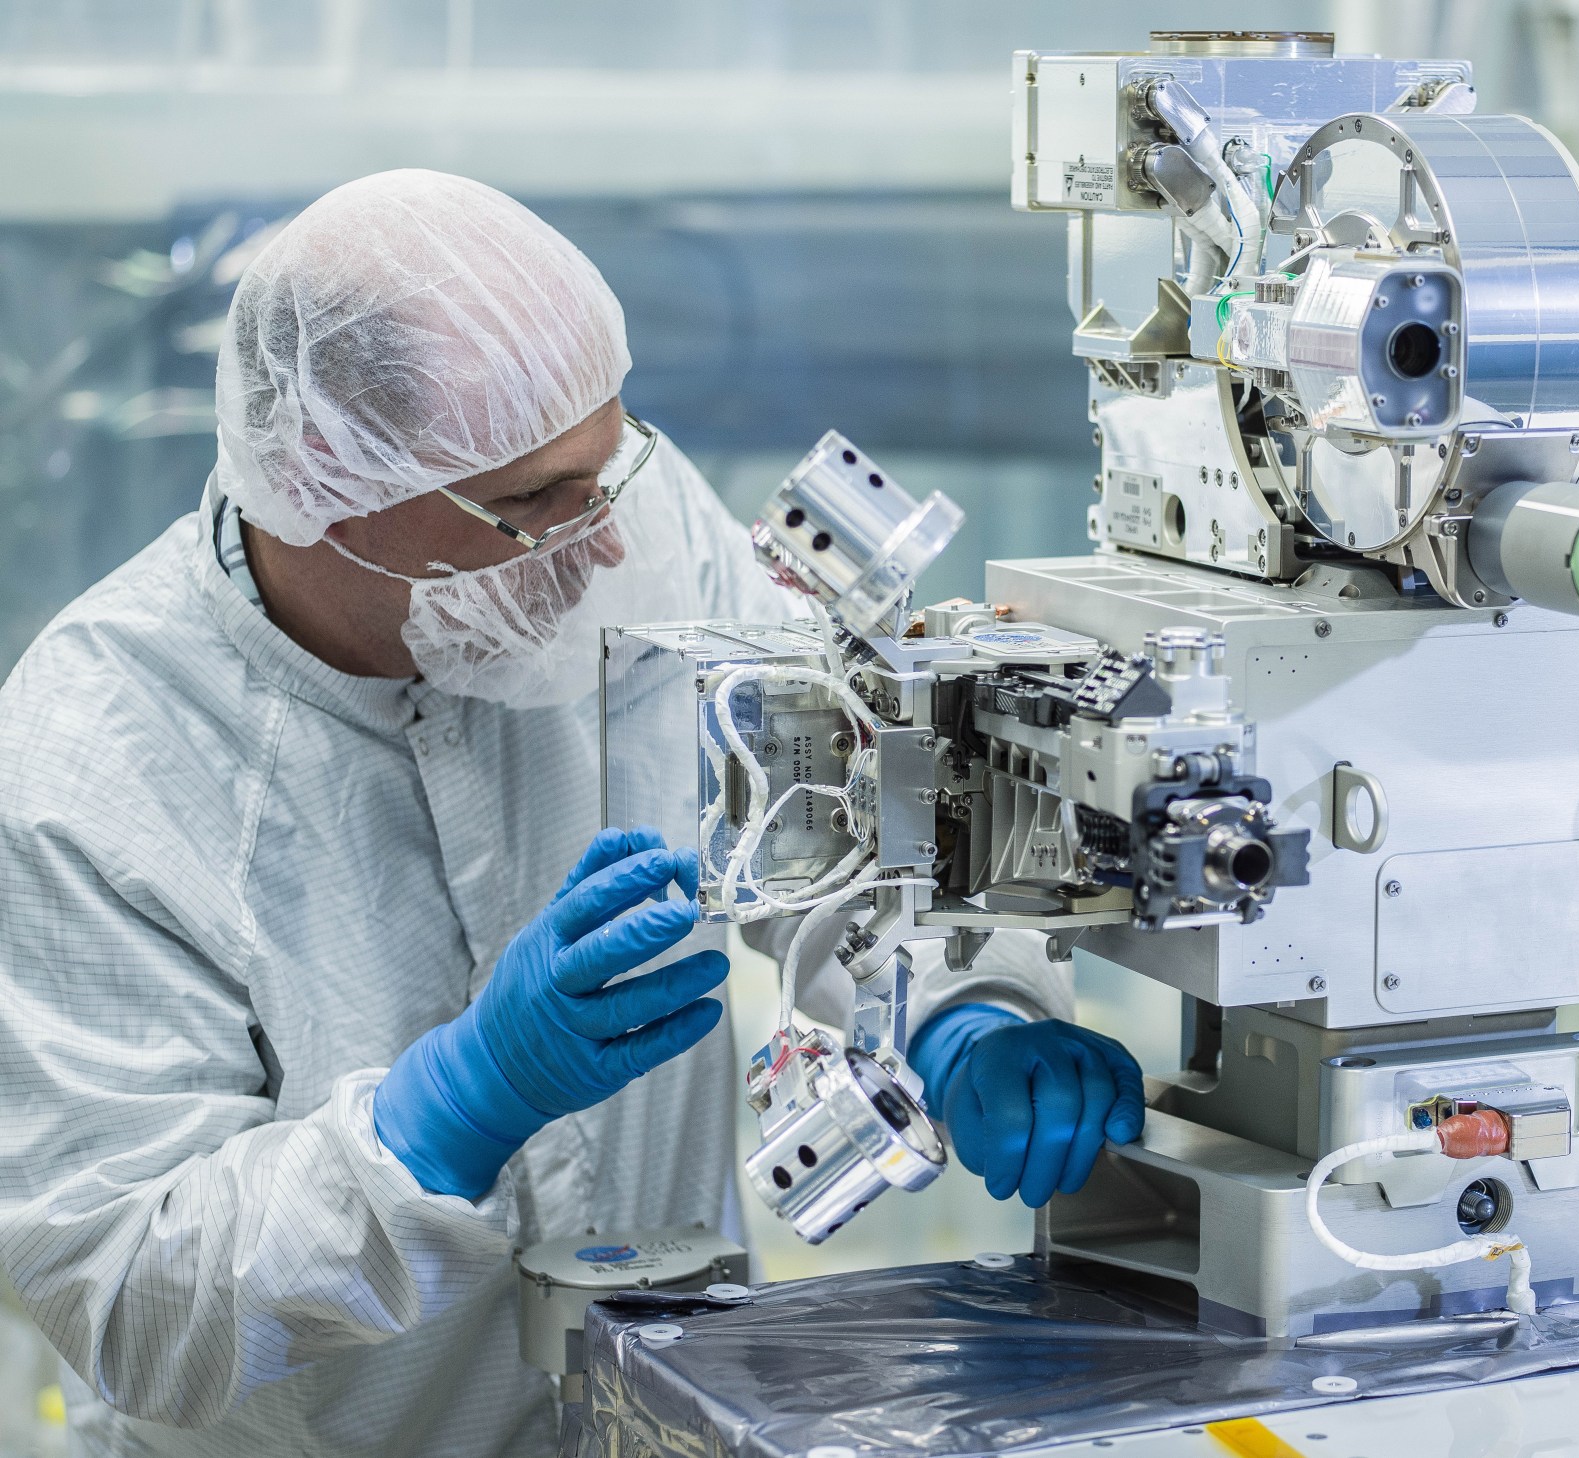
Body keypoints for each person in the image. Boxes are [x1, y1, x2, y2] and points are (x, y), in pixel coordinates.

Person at [0, 169, 1143, 1457]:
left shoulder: (623, 529)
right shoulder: (97, 762)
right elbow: (124, 1298)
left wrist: (952, 1011)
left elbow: (825, 818)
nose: (604, 546)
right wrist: (446, 1114)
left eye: (608, 471)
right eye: (536, 504)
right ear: (324, 482)